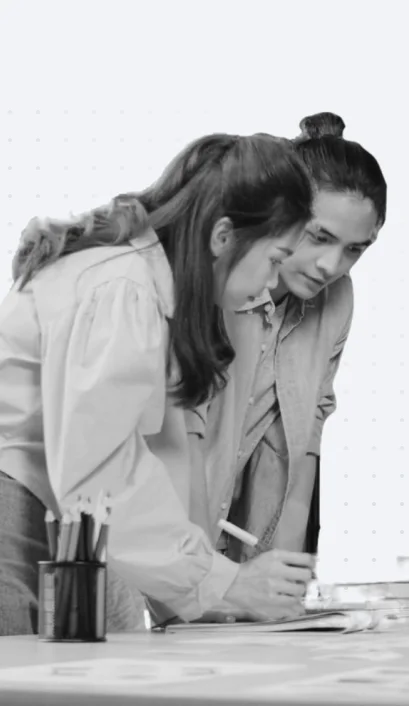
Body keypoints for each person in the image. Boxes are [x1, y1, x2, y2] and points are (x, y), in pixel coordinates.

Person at [0, 132, 317, 636]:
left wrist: (202, 581)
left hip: (60, 511)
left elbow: (144, 460)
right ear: (223, 236)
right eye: (276, 258)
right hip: (21, 510)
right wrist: (224, 581)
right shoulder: (123, 288)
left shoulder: (148, 285)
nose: (273, 282)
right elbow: (100, 474)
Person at [199, 113, 386, 577]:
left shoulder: (337, 301)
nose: (330, 265)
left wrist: (284, 577)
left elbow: (302, 444)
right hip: (141, 523)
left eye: (354, 250)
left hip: (229, 534)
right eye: (319, 237)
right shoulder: (217, 280)